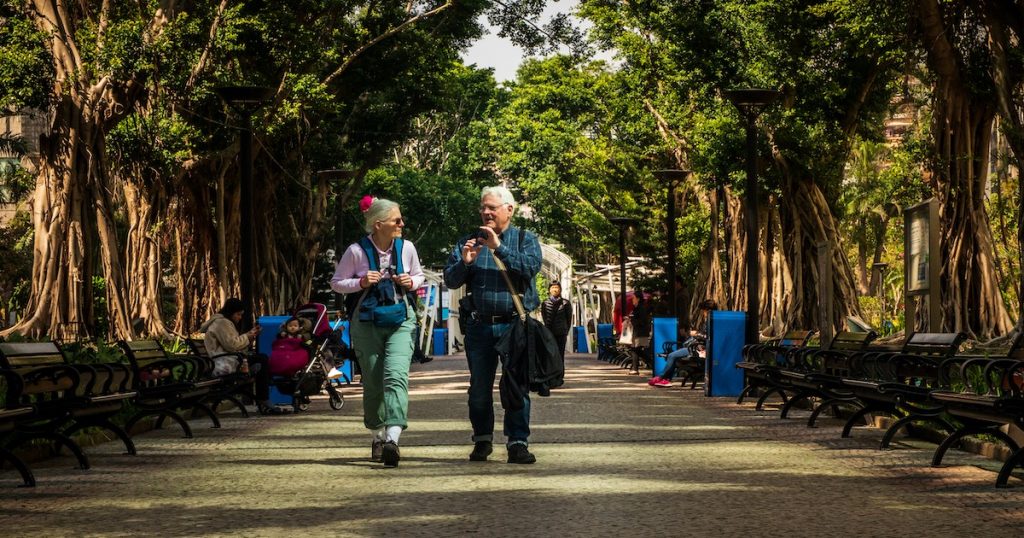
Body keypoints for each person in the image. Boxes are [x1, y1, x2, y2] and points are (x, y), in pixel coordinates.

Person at [444, 185, 543, 464]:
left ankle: (518, 443)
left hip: (515, 326)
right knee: (478, 389)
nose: (485, 212)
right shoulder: (468, 241)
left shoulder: (525, 239)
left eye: (491, 208)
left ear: (509, 210)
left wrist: (499, 248)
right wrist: (464, 263)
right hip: (479, 327)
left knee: (516, 387)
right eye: (483, 208)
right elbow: (450, 280)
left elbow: (529, 268)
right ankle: (482, 440)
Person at [330, 197, 424, 468]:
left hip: (400, 321)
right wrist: (360, 281)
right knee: (372, 382)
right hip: (367, 323)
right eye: (397, 220)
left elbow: (419, 276)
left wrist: (411, 281)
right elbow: (337, 284)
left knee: (396, 377)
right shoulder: (356, 251)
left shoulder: (406, 248)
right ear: (379, 224)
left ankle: (393, 439)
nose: (402, 224)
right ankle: (377, 434)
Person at [199, 298, 287, 414]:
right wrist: (248, 336)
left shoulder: (223, 322)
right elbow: (232, 345)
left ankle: (263, 395)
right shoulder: (222, 323)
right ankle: (263, 398)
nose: (239, 318)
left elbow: (233, 343)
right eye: (238, 314)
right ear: (231, 312)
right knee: (262, 360)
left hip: (228, 359)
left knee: (261, 360)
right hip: (224, 362)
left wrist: (249, 335)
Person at [649, 299, 717, 387]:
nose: (703, 314)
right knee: (672, 355)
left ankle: (663, 378)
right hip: (697, 347)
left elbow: (708, 336)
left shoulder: (711, 321)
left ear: (707, 310)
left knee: (672, 355)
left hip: (698, 349)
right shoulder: (713, 320)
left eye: (703, 311)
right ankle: (665, 379)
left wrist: (696, 334)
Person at [541, 282, 573, 360]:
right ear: (549, 290)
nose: (555, 289)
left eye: (556, 287)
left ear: (560, 290)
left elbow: (569, 319)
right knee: (550, 354)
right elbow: (544, 318)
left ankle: (560, 371)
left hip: (561, 333)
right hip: (549, 333)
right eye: (553, 287)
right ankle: (551, 371)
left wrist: (565, 331)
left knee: (560, 354)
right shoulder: (545, 303)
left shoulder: (566, 303)